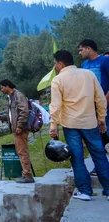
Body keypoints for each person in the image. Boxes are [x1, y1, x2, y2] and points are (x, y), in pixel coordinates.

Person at [49, 49, 109, 201]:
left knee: (77, 157)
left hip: (70, 124)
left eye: (55, 63)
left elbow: (55, 106)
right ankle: (108, 190)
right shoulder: (88, 74)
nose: (55, 66)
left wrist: (53, 126)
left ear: (61, 63)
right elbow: (100, 98)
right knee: (99, 155)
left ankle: (85, 191)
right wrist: (101, 118)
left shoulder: (58, 80)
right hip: (90, 122)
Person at [0, 79, 34, 183]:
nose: (1, 89)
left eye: (2, 87)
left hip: (20, 129)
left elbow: (24, 112)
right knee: (20, 151)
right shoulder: (11, 97)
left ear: (7, 86)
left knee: (22, 151)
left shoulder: (18, 96)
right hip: (16, 129)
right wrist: (0, 117)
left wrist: (20, 126)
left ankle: (27, 175)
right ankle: (26, 173)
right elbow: (11, 116)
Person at [78, 39, 109, 155]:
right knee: (98, 135)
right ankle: (102, 165)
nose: (80, 53)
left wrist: (105, 99)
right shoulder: (84, 65)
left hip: (106, 102)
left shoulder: (105, 61)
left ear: (88, 48)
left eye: (81, 50)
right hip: (92, 106)